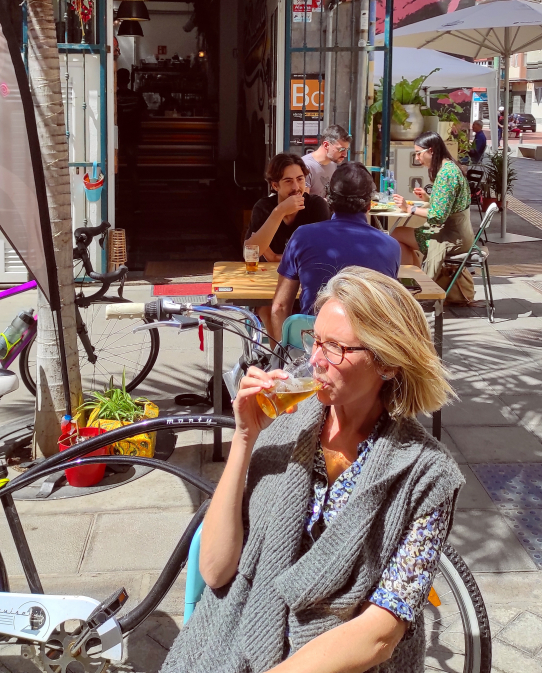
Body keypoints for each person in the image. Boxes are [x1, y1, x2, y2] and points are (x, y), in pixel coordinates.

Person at [160, 268, 462, 673]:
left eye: (335, 348)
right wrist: (245, 438)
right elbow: (215, 571)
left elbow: (380, 632)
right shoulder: (283, 426)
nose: (314, 361)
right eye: (315, 341)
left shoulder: (427, 475)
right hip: (239, 637)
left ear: (387, 363)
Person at [270, 163, 400, 336]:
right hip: (368, 347)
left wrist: (283, 354)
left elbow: (279, 307)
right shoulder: (390, 246)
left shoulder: (303, 236)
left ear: (328, 199)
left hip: (315, 346)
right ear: (369, 204)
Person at [245, 153, 330, 341]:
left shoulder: (316, 206)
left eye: (300, 179)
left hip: (305, 282)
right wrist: (279, 211)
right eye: (288, 181)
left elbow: (319, 252)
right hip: (269, 285)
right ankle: (280, 362)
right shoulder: (265, 207)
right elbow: (252, 250)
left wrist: (275, 257)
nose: (296, 187)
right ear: (275, 186)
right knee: (269, 309)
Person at [391, 132, 475, 295]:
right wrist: (428, 197)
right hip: (460, 235)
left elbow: (438, 216)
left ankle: (411, 286)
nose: (417, 158)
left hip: (450, 239)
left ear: (431, 150)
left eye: (418, 153)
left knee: (396, 234)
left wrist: (409, 209)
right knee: (399, 236)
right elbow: (449, 206)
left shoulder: (445, 174)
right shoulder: (451, 167)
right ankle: (415, 282)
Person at [303, 124, 351, 199]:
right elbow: (303, 203)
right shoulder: (306, 166)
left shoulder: (332, 163)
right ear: (326, 145)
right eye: (341, 149)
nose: (345, 155)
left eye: (347, 150)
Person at [115, 68, 147, 171]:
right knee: (132, 164)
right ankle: (134, 185)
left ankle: (115, 185)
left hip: (117, 134)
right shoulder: (136, 96)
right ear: (129, 81)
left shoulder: (113, 97)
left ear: (117, 81)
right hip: (133, 134)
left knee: (114, 163)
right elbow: (145, 113)